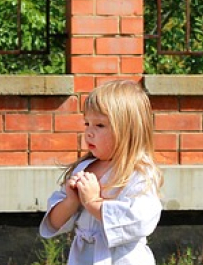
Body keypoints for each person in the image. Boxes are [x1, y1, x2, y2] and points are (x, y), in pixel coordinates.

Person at [39, 80, 164, 265]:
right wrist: (71, 201)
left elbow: (140, 220)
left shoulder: (138, 173)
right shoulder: (84, 168)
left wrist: (93, 202)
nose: (89, 132)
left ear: (127, 131)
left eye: (100, 125)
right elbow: (54, 223)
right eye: (87, 123)